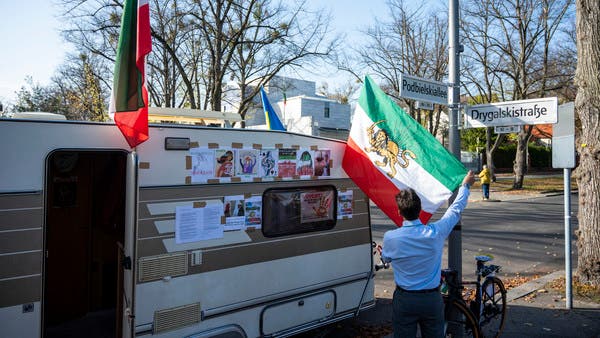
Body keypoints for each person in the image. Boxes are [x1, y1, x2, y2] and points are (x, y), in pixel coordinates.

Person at [379, 171, 475, 338]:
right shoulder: (435, 233)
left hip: (405, 299)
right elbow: (455, 210)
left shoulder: (391, 237)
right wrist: (465, 186)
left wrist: (385, 254)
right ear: (420, 209)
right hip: (431, 299)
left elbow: (386, 259)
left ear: (399, 212)